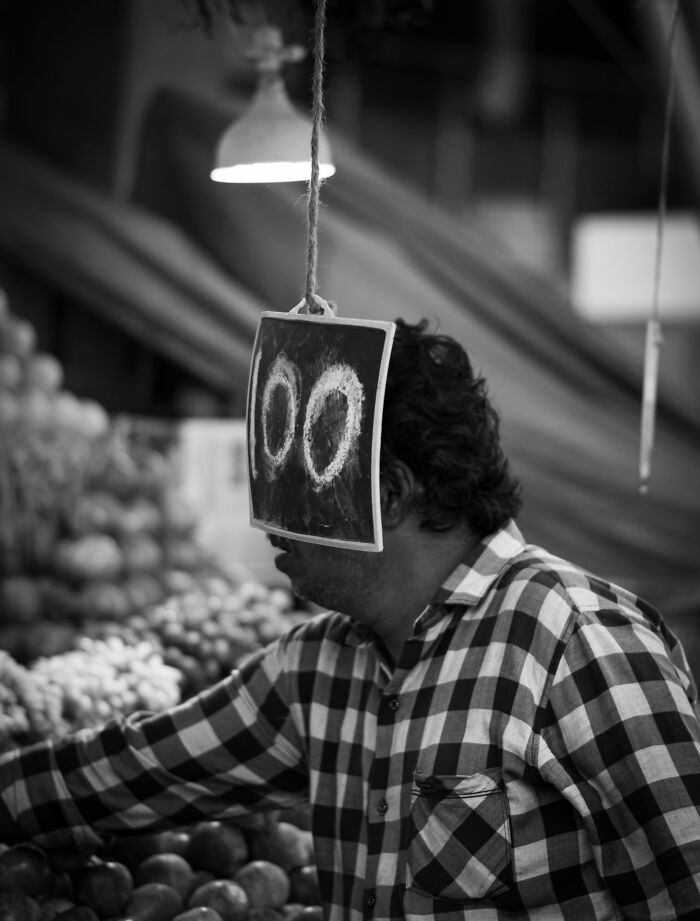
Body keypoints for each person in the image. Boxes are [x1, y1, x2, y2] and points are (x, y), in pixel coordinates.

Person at [1, 318, 699, 920]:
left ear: (389, 493)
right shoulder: (316, 667)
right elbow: (134, 768)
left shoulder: (581, 641)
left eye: (292, 488)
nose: (267, 522)